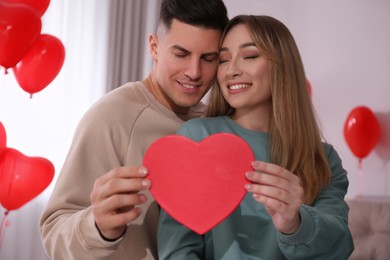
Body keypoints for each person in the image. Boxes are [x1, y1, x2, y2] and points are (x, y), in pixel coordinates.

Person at [39, 0, 229, 259]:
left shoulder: (213, 124)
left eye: (208, 58)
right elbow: (54, 233)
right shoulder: (112, 116)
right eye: (181, 54)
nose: (194, 72)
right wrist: (99, 227)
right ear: (154, 47)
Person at [157, 15, 354, 259]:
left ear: (282, 65)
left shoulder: (324, 159)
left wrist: (296, 224)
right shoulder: (197, 138)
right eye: (223, 59)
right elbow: (176, 249)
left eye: (249, 56)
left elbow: (339, 247)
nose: (231, 71)